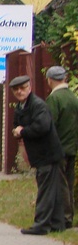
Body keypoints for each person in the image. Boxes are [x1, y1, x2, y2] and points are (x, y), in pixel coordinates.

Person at [10, 75, 67, 235]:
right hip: (40, 155)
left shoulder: (38, 105)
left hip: (48, 154)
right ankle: (57, 224)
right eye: (16, 89)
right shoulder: (21, 107)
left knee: (46, 190)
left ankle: (41, 225)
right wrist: (17, 131)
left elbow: (42, 127)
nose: (20, 92)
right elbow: (17, 125)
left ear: (29, 88)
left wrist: (23, 131)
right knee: (52, 189)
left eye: (23, 88)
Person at [45, 66, 78, 228]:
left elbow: (50, 125)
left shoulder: (54, 99)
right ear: (65, 78)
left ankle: (65, 218)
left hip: (58, 149)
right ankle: (69, 215)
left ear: (50, 80)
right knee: (69, 183)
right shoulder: (73, 97)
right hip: (72, 148)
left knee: (61, 184)